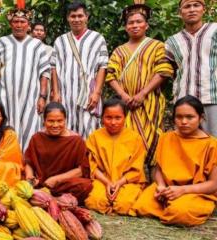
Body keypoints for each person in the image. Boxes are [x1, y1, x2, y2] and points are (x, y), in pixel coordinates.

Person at [132, 95, 217, 226]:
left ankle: (177, 208)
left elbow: (213, 184)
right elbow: (158, 170)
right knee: (141, 206)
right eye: (179, 117)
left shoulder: (211, 144)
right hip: (166, 189)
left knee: (179, 212)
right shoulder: (166, 138)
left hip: (195, 193)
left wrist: (182, 190)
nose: (184, 121)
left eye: (190, 117)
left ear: (201, 118)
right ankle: (170, 207)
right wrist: (160, 186)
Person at [106, 4, 174, 167]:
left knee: (152, 138)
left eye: (138, 22)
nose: (135, 26)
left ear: (146, 25)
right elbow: (110, 75)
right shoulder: (119, 51)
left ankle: (151, 176)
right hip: (126, 103)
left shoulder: (157, 46)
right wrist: (123, 96)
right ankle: (130, 175)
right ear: (125, 27)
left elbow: (163, 70)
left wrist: (143, 93)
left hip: (149, 101)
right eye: (131, 23)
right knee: (127, 138)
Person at [0, 7, 51, 151]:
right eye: (15, 21)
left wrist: (42, 96)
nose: (19, 25)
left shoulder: (37, 45)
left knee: (31, 130)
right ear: (11, 24)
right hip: (5, 96)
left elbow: (45, 72)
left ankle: (27, 165)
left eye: (22, 21)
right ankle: (7, 164)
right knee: (5, 129)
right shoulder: (1, 43)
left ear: (28, 24)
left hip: (31, 97)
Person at [53, 1, 108, 138]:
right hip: (66, 94)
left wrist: (97, 93)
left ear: (86, 17)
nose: (76, 19)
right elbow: (53, 67)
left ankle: (88, 159)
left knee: (89, 129)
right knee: (66, 130)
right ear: (68, 18)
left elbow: (103, 66)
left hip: (89, 95)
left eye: (80, 16)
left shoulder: (97, 38)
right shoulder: (60, 41)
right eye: (73, 16)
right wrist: (56, 92)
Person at [84, 97, 146, 215]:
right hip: (102, 180)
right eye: (108, 117)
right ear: (102, 118)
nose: (113, 122)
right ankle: (107, 201)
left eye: (118, 118)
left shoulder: (135, 138)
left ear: (125, 117)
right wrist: (107, 182)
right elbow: (92, 166)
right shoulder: (95, 137)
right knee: (95, 201)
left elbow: (136, 170)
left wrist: (119, 183)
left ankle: (117, 203)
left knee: (124, 204)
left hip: (127, 182)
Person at [165, 0, 217, 137]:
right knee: (186, 143)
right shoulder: (172, 41)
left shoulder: (214, 30)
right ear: (180, 12)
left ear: (203, 9)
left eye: (196, 5)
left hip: (212, 97)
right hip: (184, 100)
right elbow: (168, 69)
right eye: (187, 6)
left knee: (214, 141)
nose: (192, 9)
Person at [24, 102, 92, 202]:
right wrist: (29, 177)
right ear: (44, 121)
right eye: (50, 121)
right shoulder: (37, 138)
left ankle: (46, 198)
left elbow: (81, 170)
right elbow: (29, 162)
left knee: (86, 186)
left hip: (63, 184)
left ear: (65, 120)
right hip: (40, 183)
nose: (55, 125)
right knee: (17, 179)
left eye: (59, 121)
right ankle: (53, 199)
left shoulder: (76, 140)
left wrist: (56, 179)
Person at [31, 22, 60, 102]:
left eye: (41, 30)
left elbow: (53, 70)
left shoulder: (49, 50)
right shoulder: (26, 48)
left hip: (45, 84)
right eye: (36, 30)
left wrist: (53, 90)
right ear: (31, 32)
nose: (39, 32)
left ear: (44, 34)